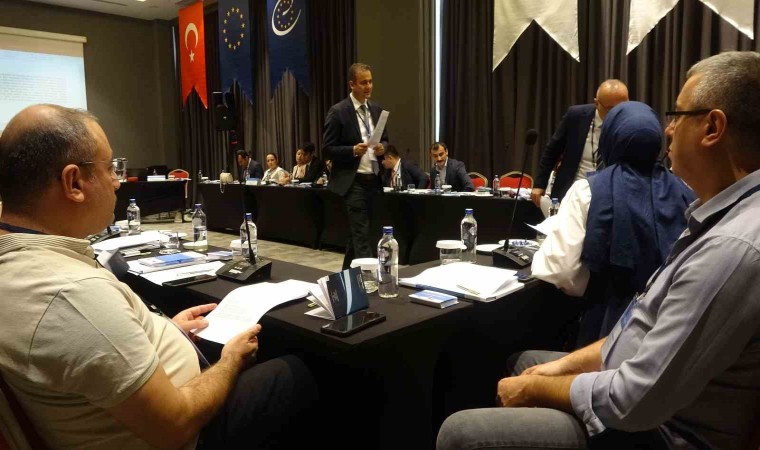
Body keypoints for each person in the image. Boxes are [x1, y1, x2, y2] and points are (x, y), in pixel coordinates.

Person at [437, 51, 760, 450]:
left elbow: (633, 399)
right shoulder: (707, 211)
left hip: (661, 433)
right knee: (527, 364)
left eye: (678, 115)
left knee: (460, 431)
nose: (669, 130)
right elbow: (635, 332)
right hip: (637, 384)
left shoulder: (731, 247)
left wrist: (537, 389)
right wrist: (559, 368)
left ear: (712, 127)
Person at [0, 104, 318, 450]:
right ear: (73, 182)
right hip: (188, 435)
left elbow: (93, 351)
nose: (117, 181)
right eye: (109, 168)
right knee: (296, 370)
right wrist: (230, 361)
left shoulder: (23, 265)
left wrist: (165, 331)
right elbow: (176, 425)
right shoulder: (73, 295)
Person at [531, 101, 695, 347]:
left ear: (610, 137)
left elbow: (562, 272)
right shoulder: (686, 190)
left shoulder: (588, 190)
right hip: (671, 328)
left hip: (607, 331)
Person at [323, 63, 388, 269]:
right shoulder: (338, 111)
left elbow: (386, 140)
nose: (368, 86)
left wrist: (383, 148)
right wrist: (352, 150)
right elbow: (327, 149)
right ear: (352, 84)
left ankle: (346, 276)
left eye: (370, 81)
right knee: (362, 235)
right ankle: (369, 280)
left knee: (361, 233)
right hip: (353, 182)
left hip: (374, 180)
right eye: (363, 83)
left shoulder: (376, 109)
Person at [530, 80, 629, 207]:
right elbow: (552, 150)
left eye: (621, 107)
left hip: (609, 195)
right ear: (597, 103)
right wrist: (539, 184)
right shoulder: (576, 116)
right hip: (571, 191)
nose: (617, 113)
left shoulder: (631, 123)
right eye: (610, 109)